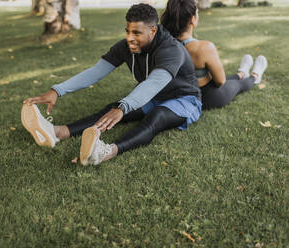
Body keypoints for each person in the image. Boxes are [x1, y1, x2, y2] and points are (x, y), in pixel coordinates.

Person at [22, 3, 202, 166]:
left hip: (184, 100)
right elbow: (95, 72)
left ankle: (104, 152)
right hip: (155, 96)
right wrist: (56, 90)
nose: (130, 38)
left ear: (153, 31)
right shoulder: (126, 47)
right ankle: (58, 132)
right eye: (127, 31)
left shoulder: (171, 50)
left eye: (137, 33)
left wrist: (124, 107)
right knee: (112, 109)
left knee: (157, 116)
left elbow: (155, 83)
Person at [161, 0, 268, 110]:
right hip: (208, 97)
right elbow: (220, 81)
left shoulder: (163, 45)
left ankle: (241, 73)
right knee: (238, 85)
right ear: (193, 19)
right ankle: (255, 76)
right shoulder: (204, 47)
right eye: (197, 13)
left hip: (180, 94)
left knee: (225, 79)